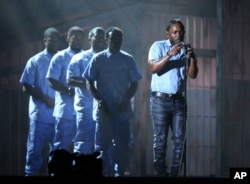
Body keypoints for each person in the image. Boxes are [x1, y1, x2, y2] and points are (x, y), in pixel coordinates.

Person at [83, 26, 142, 177]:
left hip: (122, 111)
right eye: (113, 39)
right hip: (105, 111)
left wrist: (127, 98)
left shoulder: (128, 59)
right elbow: (89, 81)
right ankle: (104, 173)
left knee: (122, 147)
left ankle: (119, 174)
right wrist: (99, 100)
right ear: (107, 40)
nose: (117, 42)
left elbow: (135, 83)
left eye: (119, 39)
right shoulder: (98, 59)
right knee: (102, 147)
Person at [148, 18, 198, 177]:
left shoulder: (185, 50)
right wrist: (170, 54)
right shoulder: (158, 46)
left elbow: (193, 75)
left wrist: (192, 57)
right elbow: (153, 68)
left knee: (179, 140)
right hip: (160, 101)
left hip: (178, 101)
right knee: (161, 140)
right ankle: (160, 173)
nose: (179, 35)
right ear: (167, 33)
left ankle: (175, 174)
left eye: (181, 32)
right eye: (175, 32)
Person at [19, 27, 61, 176]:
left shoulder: (61, 59)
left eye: (58, 40)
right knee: (34, 155)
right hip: (40, 117)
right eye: (52, 39)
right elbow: (26, 86)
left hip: (58, 117)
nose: (56, 42)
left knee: (57, 159)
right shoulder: (35, 61)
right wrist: (45, 98)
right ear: (45, 41)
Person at [66, 26, 106, 155]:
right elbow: (70, 80)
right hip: (86, 107)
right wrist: (90, 84)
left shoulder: (109, 57)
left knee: (103, 144)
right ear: (89, 39)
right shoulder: (79, 57)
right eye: (97, 36)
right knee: (84, 143)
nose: (101, 39)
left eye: (103, 37)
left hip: (104, 107)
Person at [46, 26, 85, 153]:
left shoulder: (87, 57)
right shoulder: (60, 56)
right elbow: (51, 80)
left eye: (81, 38)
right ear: (68, 38)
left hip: (84, 111)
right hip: (66, 110)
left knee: (81, 147)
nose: (78, 40)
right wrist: (67, 90)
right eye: (75, 37)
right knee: (61, 147)